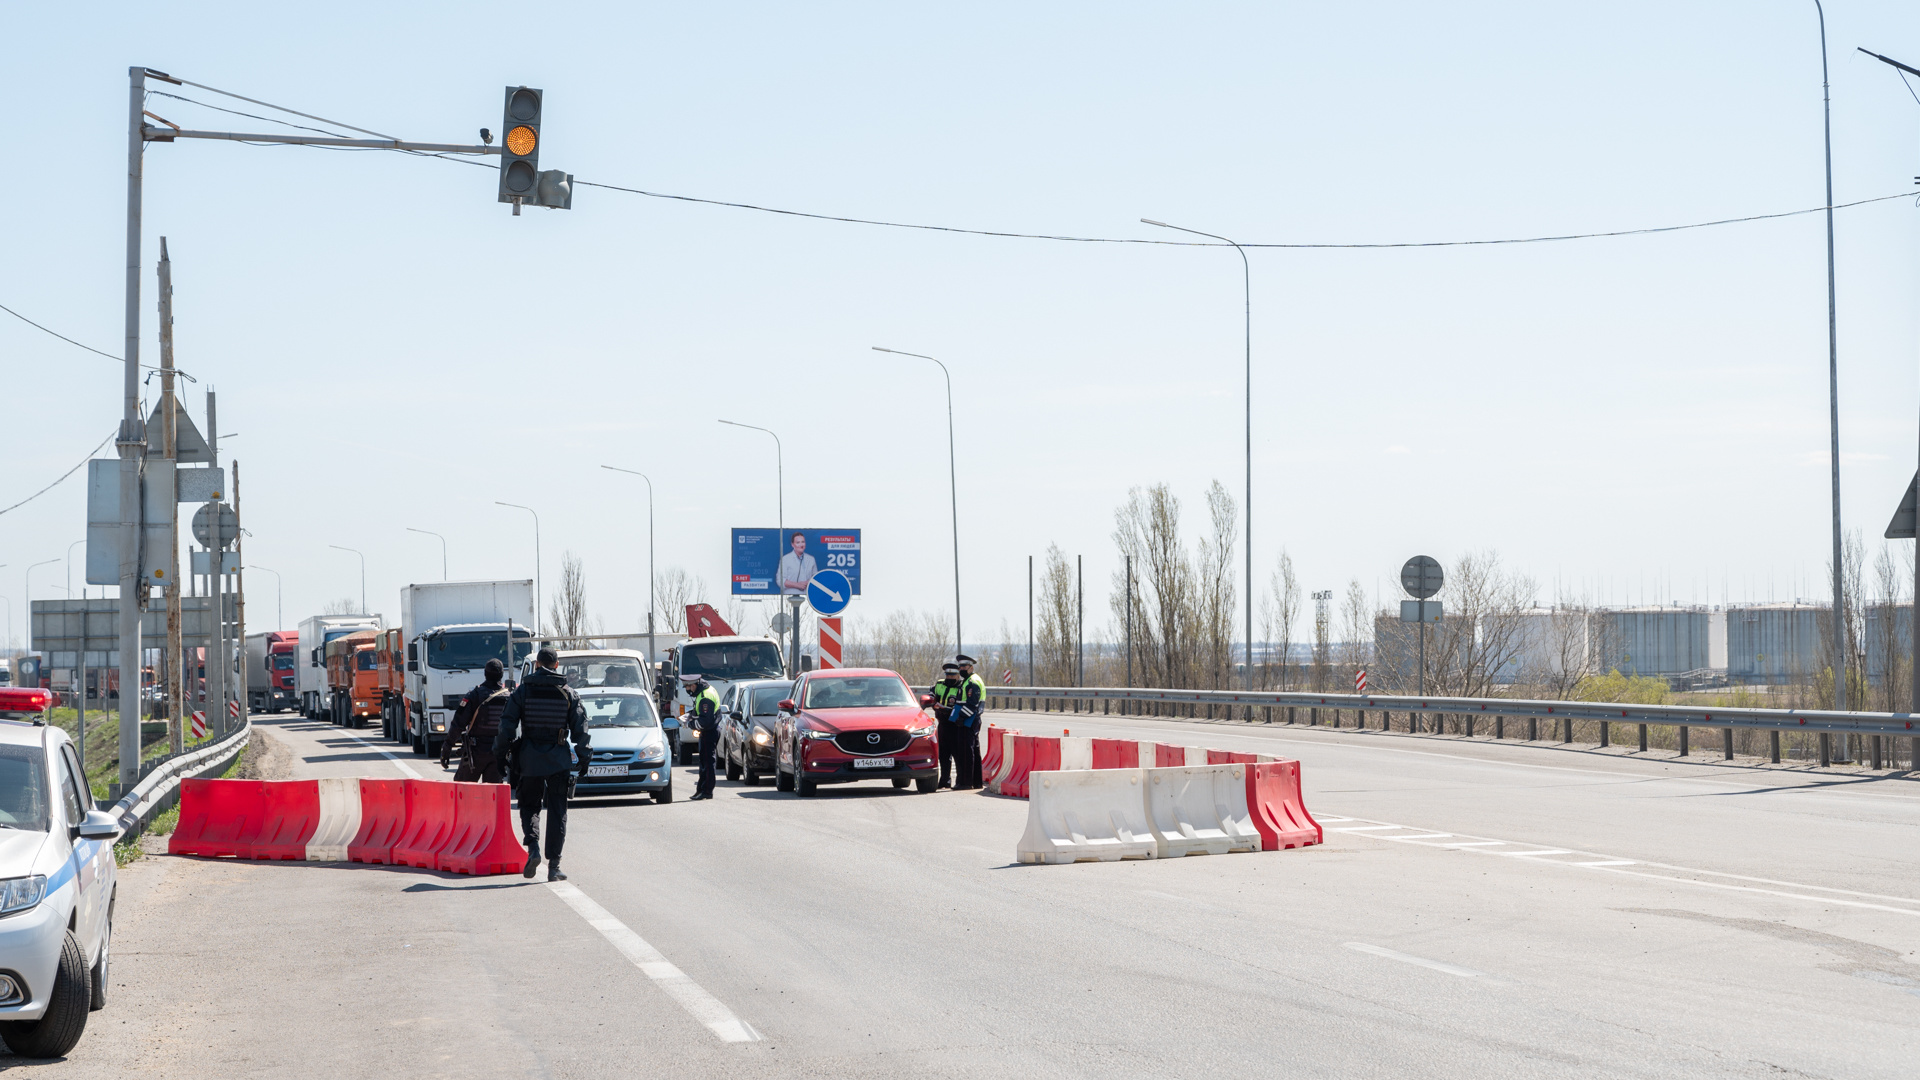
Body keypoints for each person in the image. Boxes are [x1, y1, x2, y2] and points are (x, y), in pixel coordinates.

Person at [494, 647, 590, 881]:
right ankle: (554, 866)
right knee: (557, 811)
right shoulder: (568, 693)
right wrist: (584, 758)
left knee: (529, 806)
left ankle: (533, 847)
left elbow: (506, 726)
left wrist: (500, 755)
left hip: (529, 759)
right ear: (557, 665)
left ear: (537, 664)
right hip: (558, 760)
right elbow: (581, 730)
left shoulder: (523, 691)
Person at [441, 658, 509, 782]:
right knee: (492, 795)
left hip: (476, 753)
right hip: (498, 752)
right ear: (502, 675)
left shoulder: (474, 695)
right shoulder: (509, 698)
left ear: (485, 673)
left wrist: (447, 747)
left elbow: (458, 724)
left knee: (463, 792)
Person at [684, 672, 722, 799]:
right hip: (709, 731)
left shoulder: (706, 696)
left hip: (709, 732)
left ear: (696, 684)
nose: (688, 690)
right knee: (704, 762)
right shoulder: (704, 692)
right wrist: (691, 715)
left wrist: (689, 724)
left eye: (689, 687)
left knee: (707, 762)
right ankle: (701, 789)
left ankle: (706, 791)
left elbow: (705, 721)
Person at [952, 654, 987, 789]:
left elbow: (972, 704)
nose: (961, 669)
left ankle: (966, 782)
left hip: (969, 720)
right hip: (970, 719)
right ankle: (976, 782)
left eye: (964, 666)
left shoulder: (973, 681)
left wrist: (961, 717)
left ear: (971, 667)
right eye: (960, 666)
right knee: (973, 751)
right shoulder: (968, 680)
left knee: (966, 752)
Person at [931, 663, 963, 789]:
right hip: (943, 723)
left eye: (952, 675)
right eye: (947, 675)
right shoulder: (940, 684)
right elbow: (932, 694)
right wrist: (931, 699)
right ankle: (945, 780)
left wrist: (946, 709)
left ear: (958, 675)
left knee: (957, 754)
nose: (949, 677)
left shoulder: (961, 687)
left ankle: (960, 781)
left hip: (956, 725)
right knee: (943, 754)